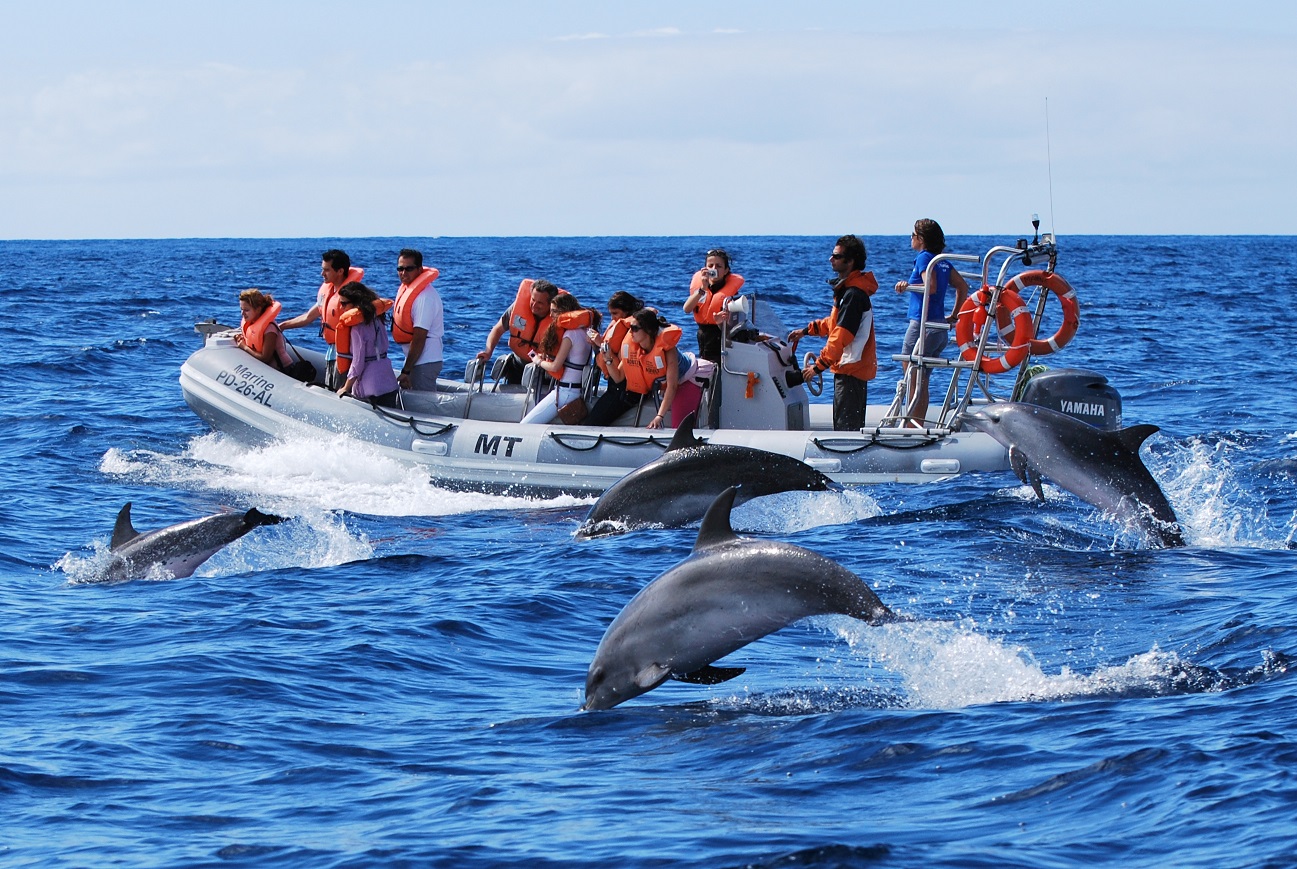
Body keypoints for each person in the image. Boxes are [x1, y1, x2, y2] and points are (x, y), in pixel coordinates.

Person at [787, 234, 878, 431]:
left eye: (836, 256)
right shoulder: (849, 292)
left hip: (850, 371)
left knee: (846, 429)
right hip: (850, 370)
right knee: (848, 425)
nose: (831, 259)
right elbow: (834, 324)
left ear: (850, 261)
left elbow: (840, 337)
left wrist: (817, 367)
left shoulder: (853, 295)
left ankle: (848, 459)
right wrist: (805, 331)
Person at [893, 218, 969, 425]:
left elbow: (931, 286)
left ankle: (910, 425)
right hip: (938, 328)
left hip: (921, 326)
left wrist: (906, 286)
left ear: (921, 239)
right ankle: (917, 423)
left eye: (913, 234)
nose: (910, 238)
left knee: (913, 378)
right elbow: (963, 287)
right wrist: (954, 316)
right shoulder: (942, 261)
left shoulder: (924, 258)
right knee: (922, 380)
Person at [585, 308, 711, 429]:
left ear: (648, 331)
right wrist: (608, 359)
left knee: (678, 427)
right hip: (667, 384)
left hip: (690, 378)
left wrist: (659, 416)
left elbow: (672, 386)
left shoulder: (668, 350)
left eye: (635, 328)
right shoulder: (633, 348)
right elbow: (618, 377)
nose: (630, 332)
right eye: (630, 328)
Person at [281, 249, 364, 389]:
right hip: (331, 353)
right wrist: (282, 326)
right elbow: (308, 317)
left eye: (326, 270)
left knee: (339, 392)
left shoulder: (352, 298)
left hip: (346, 355)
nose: (322, 274)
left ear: (340, 271)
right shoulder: (328, 294)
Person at [519, 293, 603, 424]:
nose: (551, 315)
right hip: (576, 392)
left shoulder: (570, 335)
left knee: (525, 425)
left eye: (554, 311)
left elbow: (555, 367)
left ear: (565, 312)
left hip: (565, 393)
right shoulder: (586, 332)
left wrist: (538, 361)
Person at [475, 279, 561, 385]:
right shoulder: (518, 308)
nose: (534, 305)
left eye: (540, 303)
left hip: (543, 371)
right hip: (517, 365)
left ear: (551, 304)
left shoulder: (559, 318)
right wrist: (488, 352)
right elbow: (497, 329)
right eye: (533, 300)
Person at [334, 282, 399, 409]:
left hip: (370, 387)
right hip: (388, 380)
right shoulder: (378, 319)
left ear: (355, 303)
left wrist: (346, 387)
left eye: (344, 303)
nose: (341, 308)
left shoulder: (357, 328)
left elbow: (358, 362)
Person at [391, 248, 444, 392]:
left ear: (420, 270)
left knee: (425, 407)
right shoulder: (408, 291)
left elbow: (419, 337)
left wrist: (406, 370)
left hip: (425, 361)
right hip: (416, 360)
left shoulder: (424, 298)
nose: (403, 273)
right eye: (400, 269)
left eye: (409, 269)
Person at [682, 247, 744, 363]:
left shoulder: (731, 294)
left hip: (721, 341)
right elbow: (686, 309)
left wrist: (720, 323)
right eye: (710, 266)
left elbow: (733, 329)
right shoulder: (701, 288)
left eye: (719, 266)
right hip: (703, 338)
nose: (714, 269)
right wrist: (702, 289)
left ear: (726, 271)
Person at [234, 289, 293, 371]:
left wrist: (244, 347)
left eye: (246, 310)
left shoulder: (269, 329)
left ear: (258, 309)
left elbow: (265, 358)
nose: (242, 313)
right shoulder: (252, 323)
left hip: (283, 370)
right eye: (241, 309)